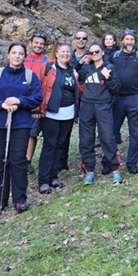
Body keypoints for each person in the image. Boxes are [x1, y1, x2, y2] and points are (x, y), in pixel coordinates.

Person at [0, 43, 43, 213]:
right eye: (14, 53)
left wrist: (20, 101)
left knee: (18, 160)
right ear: (8, 55)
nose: (17, 56)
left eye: (20, 53)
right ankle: (0, 199)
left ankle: (19, 198)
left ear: (24, 56)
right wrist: (1, 104)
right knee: (1, 160)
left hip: (21, 124)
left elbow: (37, 97)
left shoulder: (30, 76)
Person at [37, 41, 82, 193]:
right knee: (50, 145)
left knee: (61, 144)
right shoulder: (48, 68)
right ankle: (43, 180)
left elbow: (78, 91)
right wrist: (37, 109)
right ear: (56, 53)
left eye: (68, 52)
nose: (65, 54)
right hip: (51, 113)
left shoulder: (73, 71)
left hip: (68, 114)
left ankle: (53, 176)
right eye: (62, 51)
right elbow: (38, 87)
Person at [78, 43, 122, 184]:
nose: (94, 54)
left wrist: (107, 78)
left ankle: (115, 168)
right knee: (86, 138)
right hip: (87, 105)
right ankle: (89, 170)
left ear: (102, 52)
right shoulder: (86, 68)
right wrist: (82, 61)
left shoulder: (109, 67)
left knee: (107, 136)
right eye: (91, 52)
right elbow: (75, 73)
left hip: (103, 105)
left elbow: (116, 87)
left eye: (97, 51)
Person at [111, 29, 138, 174]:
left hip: (135, 97)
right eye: (127, 39)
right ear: (122, 41)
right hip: (118, 99)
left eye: (132, 39)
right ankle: (111, 160)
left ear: (135, 41)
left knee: (136, 132)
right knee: (113, 131)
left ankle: (132, 161)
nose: (129, 42)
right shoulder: (115, 56)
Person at [24, 32, 49, 174]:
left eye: (41, 43)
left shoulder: (46, 61)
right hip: (20, 101)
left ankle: (27, 161)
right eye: (36, 43)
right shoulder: (22, 57)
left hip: (37, 102)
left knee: (32, 133)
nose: (38, 45)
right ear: (31, 43)